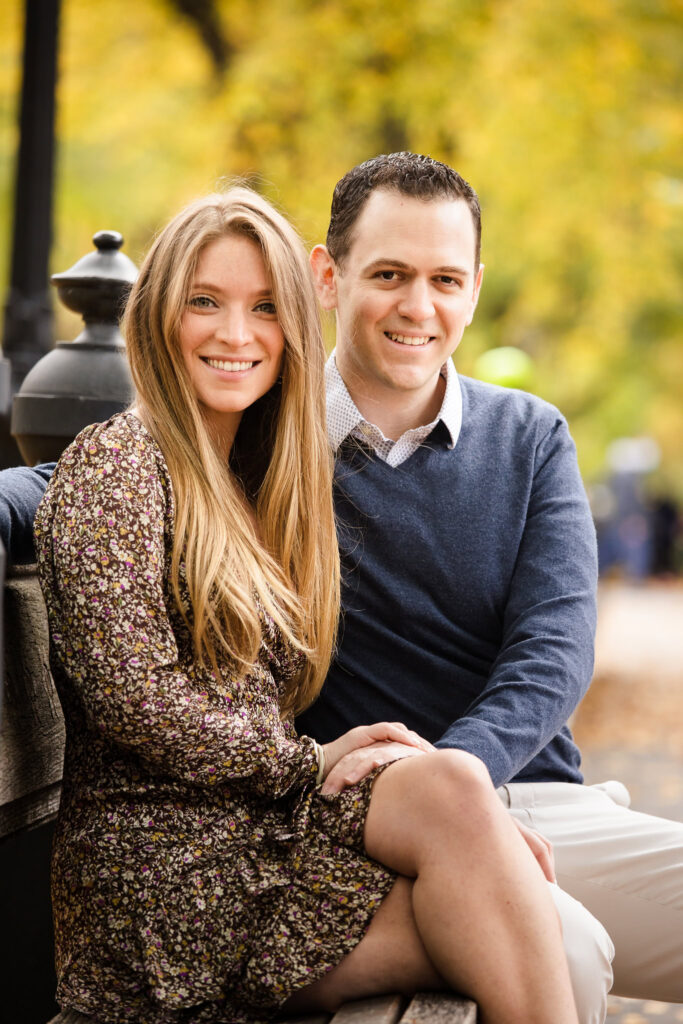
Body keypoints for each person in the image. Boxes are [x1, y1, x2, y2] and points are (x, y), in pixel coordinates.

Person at [22, 187, 583, 1024]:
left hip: (264, 837)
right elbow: (139, 701)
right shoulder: (120, 464)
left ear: (294, 329)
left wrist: (475, 837)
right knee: (529, 926)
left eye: (264, 309)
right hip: (169, 879)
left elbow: (555, 648)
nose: (235, 333)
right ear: (155, 315)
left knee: (453, 798)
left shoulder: (245, 479)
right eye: (203, 302)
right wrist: (310, 763)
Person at [295, 152, 683, 1005]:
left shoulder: (530, 435)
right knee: (567, 956)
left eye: (443, 279)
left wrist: (460, 773)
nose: (418, 306)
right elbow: (90, 476)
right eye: (389, 274)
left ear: (473, 287)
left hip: (536, 799)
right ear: (328, 276)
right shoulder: (262, 440)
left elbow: (552, 653)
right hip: (376, 829)